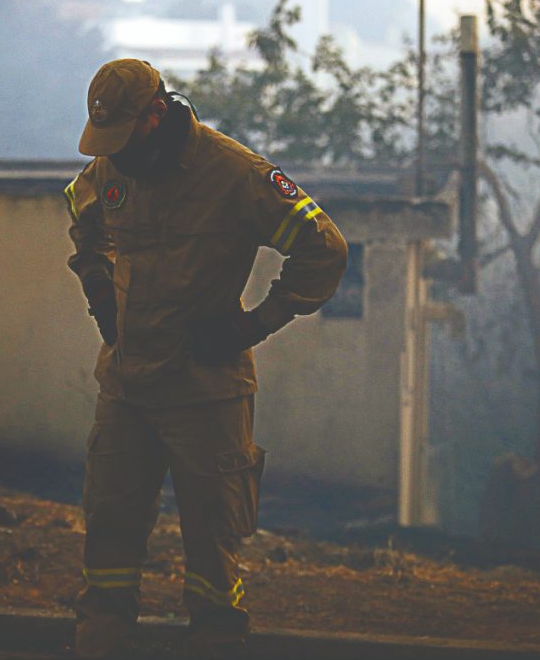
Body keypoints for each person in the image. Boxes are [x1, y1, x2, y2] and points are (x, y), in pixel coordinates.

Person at [64, 58, 348, 658]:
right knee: (108, 534)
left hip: (205, 393)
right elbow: (83, 220)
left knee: (212, 545)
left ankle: (217, 641)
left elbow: (324, 249)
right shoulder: (112, 166)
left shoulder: (236, 175)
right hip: (126, 387)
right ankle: (100, 643)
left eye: (120, 137)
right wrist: (99, 295)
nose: (111, 154)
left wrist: (253, 325)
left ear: (155, 116)